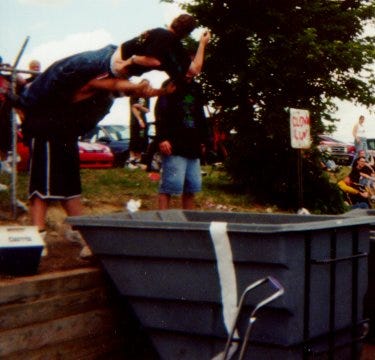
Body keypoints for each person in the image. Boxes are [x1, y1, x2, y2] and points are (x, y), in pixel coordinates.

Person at [16, 15, 210, 242]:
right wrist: (134, 71)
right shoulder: (91, 78)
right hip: (47, 127)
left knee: (70, 185)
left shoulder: (109, 92)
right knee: (42, 185)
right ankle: (37, 234)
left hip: (66, 131)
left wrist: (152, 91)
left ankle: (80, 231)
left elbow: (124, 84)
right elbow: (111, 81)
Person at [155, 77, 209, 209]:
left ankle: (189, 224)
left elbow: (200, 114)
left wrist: (203, 140)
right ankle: (163, 224)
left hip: (193, 145)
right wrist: (162, 138)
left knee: (191, 187)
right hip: (174, 146)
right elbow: (160, 112)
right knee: (169, 186)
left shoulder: (196, 87)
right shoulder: (170, 84)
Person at [128, 79, 150, 168]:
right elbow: (133, 108)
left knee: (142, 139)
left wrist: (140, 106)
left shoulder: (146, 96)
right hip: (135, 121)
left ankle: (138, 161)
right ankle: (131, 160)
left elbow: (147, 110)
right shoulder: (134, 94)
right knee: (134, 139)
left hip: (144, 122)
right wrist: (139, 119)